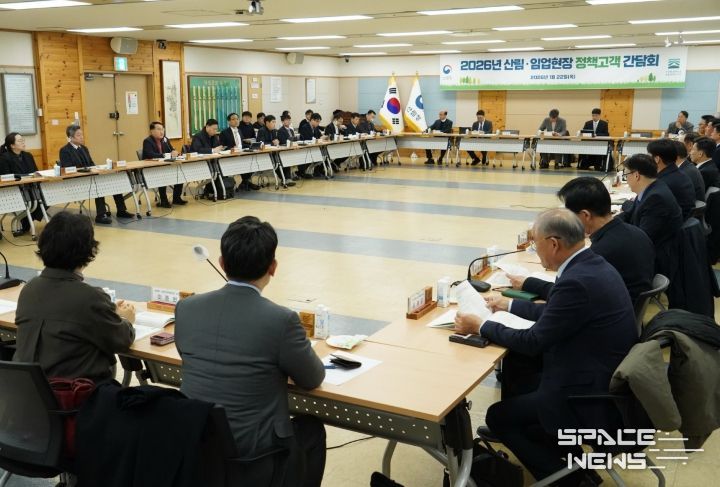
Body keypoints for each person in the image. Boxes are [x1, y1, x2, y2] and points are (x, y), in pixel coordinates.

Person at [454, 208, 636, 486]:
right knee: (519, 370)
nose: (533, 248)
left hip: (587, 393)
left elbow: (533, 341)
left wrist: (481, 326)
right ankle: (567, 457)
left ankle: (569, 481)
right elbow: (558, 313)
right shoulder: (591, 264)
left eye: (535, 242)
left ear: (553, 244)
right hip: (599, 374)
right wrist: (510, 305)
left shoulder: (576, 280)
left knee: (499, 416)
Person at [175, 216, 326, 487]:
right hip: (255, 457)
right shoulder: (281, 320)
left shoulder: (186, 308)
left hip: (197, 448)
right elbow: (312, 378)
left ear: (222, 263)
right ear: (273, 267)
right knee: (312, 429)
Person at [14, 211, 135, 382]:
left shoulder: (29, 289)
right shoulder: (90, 298)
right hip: (75, 393)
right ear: (89, 250)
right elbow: (122, 340)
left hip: (29, 391)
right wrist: (126, 319)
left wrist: (107, 312)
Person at [512, 177, 654, 304]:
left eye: (569, 214)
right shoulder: (635, 232)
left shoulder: (601, 253)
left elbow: (566, 295)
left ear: (585, 215)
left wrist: (528, 283)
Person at [618, 154, 683, 274]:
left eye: (626, 175)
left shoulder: (656, 198)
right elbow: (629, 213)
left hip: (656, 260)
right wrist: (606, 223)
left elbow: (643, 239)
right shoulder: (651, 188)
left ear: (636, 175)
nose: (626, 179)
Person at [59, 124, 133, 224]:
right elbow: (68, 169)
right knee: (98, 185)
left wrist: (98, 169)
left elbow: (91, 164)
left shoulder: (84, 148)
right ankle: (101, 215)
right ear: (71, 137)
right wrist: (85, 171)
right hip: (76, 181)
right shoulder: (65, 150)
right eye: (78, 135)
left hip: (89, 177)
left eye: (82, 134)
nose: (81, 137)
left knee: (114, 181)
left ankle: (121, 210)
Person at [0, 132, 43, 234]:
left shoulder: (28, 155)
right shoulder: (4, 158)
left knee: (45, 198)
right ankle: (26, 219)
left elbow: (35, 172)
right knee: (35, 199)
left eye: (23, 140)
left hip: (31, 187)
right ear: (12, 145)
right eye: (20, 141)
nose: (23, 142)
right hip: (16, 190)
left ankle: (26, 219)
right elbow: (6, 177)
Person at [141, 121, 187, 207]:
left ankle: (176, 198)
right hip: (151, 169)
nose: (161, 132)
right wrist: (165, 155)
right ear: (152, 131)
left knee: (179, 173)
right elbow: (150, 154)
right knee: (162, 176)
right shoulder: (147, 141)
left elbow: (171, 150)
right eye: (159, 129)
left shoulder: (165, 140)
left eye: (162, 129)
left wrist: (174, 152)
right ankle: (163, 200)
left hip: (164, 167)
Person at [647, 138, 695, 219]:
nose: (647, 160)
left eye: (649, 156)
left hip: (671, 222)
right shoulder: (679, 173)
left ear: (657, 159)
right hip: (683, 219)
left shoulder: (663, 182)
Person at [219, 113, 260, 191]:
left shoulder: (239, 131)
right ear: (229, 121)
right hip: (232, 157)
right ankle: (246, 183)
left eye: (237, 119)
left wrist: (250, 146)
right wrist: (232, 149)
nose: (236, 121)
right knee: (245, 164)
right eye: (233, 119)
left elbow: (241, 144)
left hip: (242, 154)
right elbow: (222, 147)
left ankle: (245, 182)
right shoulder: (224, 133)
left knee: (253, 162)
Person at [258, 115, 295, 186]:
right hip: (265, 154)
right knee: (277, 161)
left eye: (275, 122)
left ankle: (287, 178)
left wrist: (277, 142)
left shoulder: (274, 131)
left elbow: (276, 141)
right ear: (267, 123)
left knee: (284, 157)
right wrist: (273, 143)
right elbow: (261, 143)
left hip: (273, 152)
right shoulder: (262, 131)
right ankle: (284, 178)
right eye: (273, 122)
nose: (274, 124)